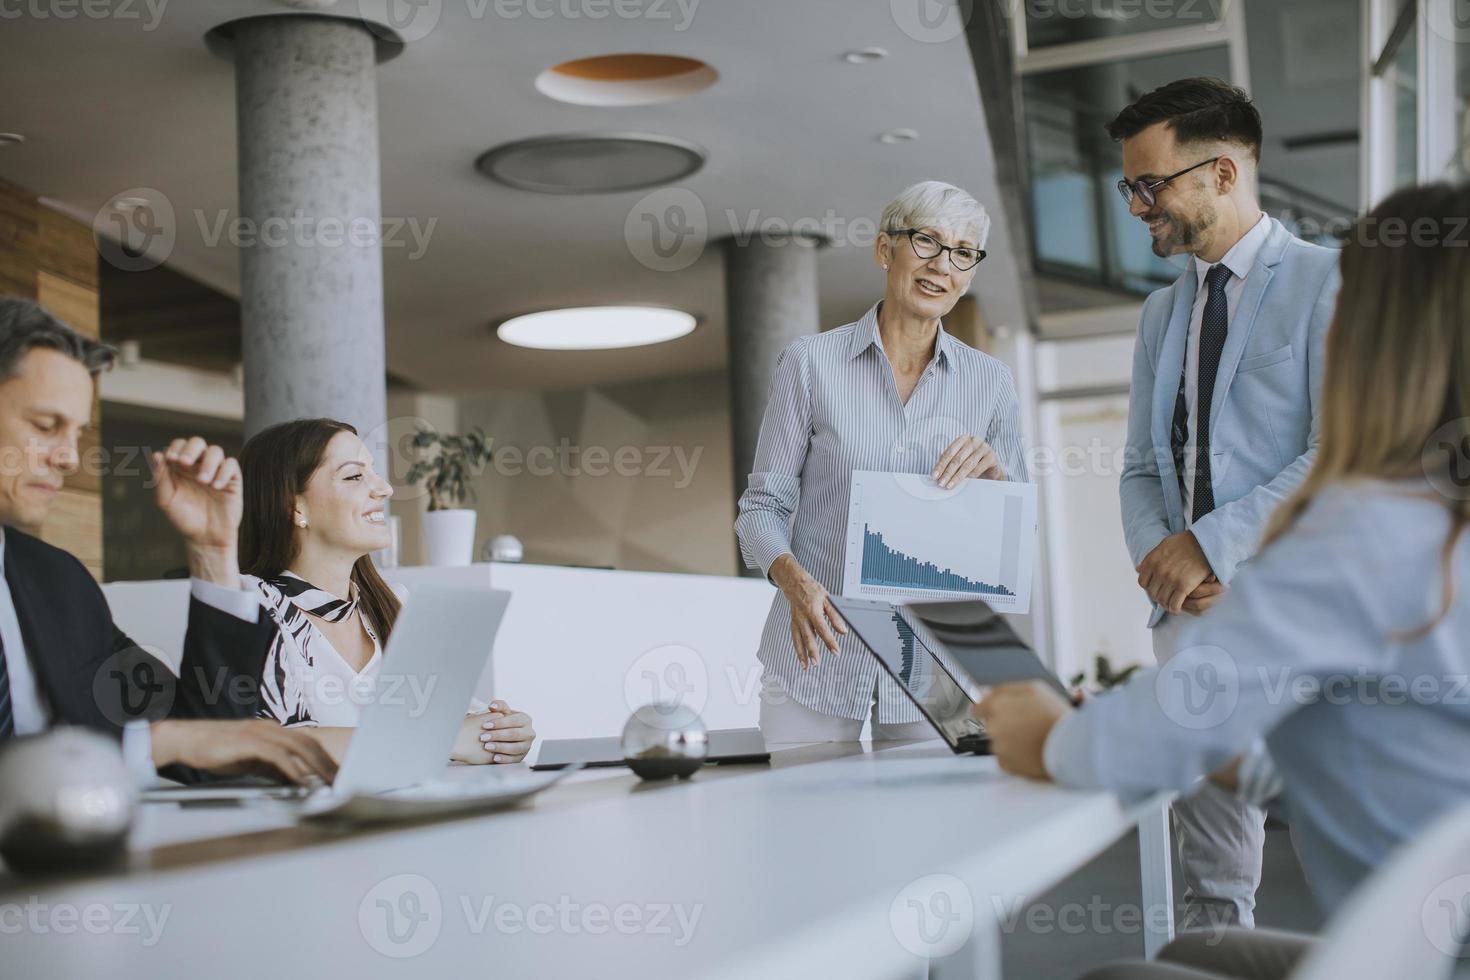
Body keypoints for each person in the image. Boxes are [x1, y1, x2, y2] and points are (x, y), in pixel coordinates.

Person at [978, 181, 1470, 978]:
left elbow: (1151, 733)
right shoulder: (1440, 526)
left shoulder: (1370, 531)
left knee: (1118, 976)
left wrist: (1051, 734)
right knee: (1197, 947)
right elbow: (1396, 749)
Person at [1111, 77, 1342, 930]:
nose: (1137, 206)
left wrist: (1211, 546)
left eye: (1150, 183)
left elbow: (1343, 453)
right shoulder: (1158, 316)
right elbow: (1139, 467)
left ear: (1222, 173)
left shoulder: (1330, 280)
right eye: (1128, 186)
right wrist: (1165, 568)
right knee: (1212, 877)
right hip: (1192, 624)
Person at [734, 180, 1028, 744]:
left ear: (969, 274)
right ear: (884, 250)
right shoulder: (809, 364)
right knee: (801, 825)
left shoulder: (991, 383)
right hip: (816, 654)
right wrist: (793, 581)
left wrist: (996, 478)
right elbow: (761, 510)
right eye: (926, 241)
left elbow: (1014, 535)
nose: (942, 264)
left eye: (962, 253)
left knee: (929, 831)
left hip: (937, 661)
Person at [0, 296, 337, 786]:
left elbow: (209, 741)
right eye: (46, 426)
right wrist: (157, 744)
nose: (70, 458)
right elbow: (177, 742)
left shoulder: (58, 583)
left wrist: (213, 551)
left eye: (78, 433)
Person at [235, 417, 535, 764]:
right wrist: (445, 740)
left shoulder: (396, 603)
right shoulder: (251, 604)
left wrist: (503, 733)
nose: (385, 488)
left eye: (373, 472)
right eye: (354, 476)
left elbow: (463, 722)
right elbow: (270, 743)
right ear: (295, 506)